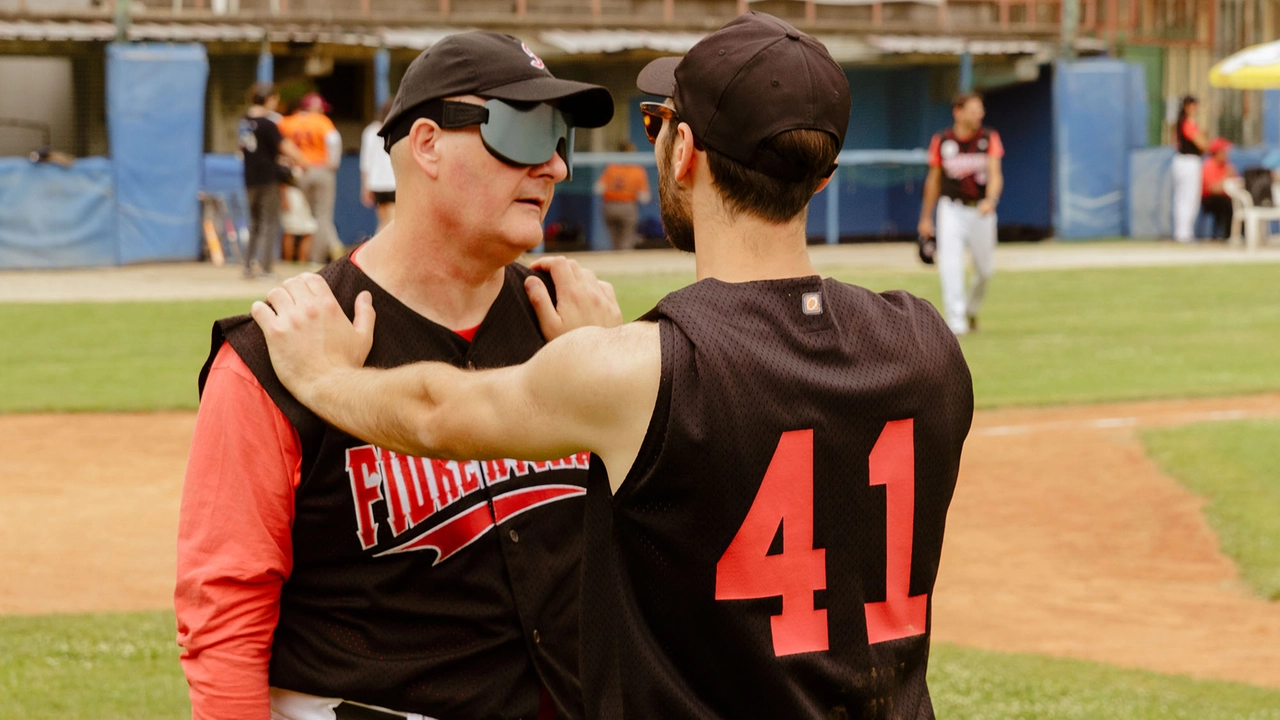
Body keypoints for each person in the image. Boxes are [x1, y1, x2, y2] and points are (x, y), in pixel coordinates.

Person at [250, 12, 973, 719]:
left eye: (658, 125)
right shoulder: (927, 343)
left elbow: (439, 414)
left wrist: (324, 379)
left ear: (684, 152)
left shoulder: (642, 370)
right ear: (821, 179)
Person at [175, 31, 617, 720]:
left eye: (561, 137)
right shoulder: (280, 349)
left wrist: (614, 380)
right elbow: (224, 620)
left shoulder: (578, 330)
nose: (556, 166)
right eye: (526, 130)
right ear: (430, 144)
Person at [918, 92, 1004, 336]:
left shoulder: (988, 138)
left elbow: (995, 174)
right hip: (951, 208)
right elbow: (933, 181)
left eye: (980, 109)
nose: (980, 114)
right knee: (950, 264)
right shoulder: (943, 140)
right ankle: (956, 323)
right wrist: (925, 218)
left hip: (981, 210)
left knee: (985, 270)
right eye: (974, 109)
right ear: (958, 112)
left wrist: (991, 199)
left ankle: (970, 309)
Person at [237, 82, 309, 279]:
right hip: (267, 178)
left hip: (249, 178)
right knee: (269, 222)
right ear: (267, 99)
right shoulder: (268, 123)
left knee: (255, 223)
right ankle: (266, 268)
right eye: (274, 99)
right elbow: (285, 146)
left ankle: (248, 266)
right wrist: (304, 161)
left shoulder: (244, 121)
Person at [279, 92, 344, 264]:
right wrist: (333, 162)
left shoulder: (287, 122)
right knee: (322, 216)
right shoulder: (321, 121)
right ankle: (317, 258)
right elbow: (334, 141)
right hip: (320, 168)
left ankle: (327, 248)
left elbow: (279, 145)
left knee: (306, 217)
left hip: (297, 172)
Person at [593, 141, 651, 250]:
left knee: (615, 240)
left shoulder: (612, 167)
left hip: (609, 206)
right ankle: (624, 260)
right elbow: (644, 198)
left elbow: (598, 189)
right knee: (626, 240)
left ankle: (616, 259)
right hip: (627, 206)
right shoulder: (637, 170)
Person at [1173, 94, 1209, 242]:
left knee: (1183, 198)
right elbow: (1203, 145)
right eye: (1195, 105)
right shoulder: (1188, 123)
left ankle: (1183, 232)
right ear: (1188, 106)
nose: (1197, 109)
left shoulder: (1182, 122)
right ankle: (1184, 233)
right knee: (1188, 198)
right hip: (1188, 162)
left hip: (1183, 161)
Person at [361, 99, 397, 233]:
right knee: (393, 223)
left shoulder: (371, 131)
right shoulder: (397, 128)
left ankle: (375, 248)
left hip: (376, 183)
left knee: (383, 222)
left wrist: (365, 187)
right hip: (394, 181)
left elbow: (366, 162)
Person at [1201, 137, 1237, 240]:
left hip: (1225, 197)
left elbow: (1234, 184)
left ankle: (1236, 235)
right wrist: (1226, 178)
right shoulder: (1209, 165)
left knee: (1235, 204)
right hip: (1210, 199)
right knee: (1225, 204)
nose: (1227, 154)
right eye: (1224, 151)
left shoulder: (1227, 165)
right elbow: (1213, 189)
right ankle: (1224, 236)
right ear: (1217, 152)